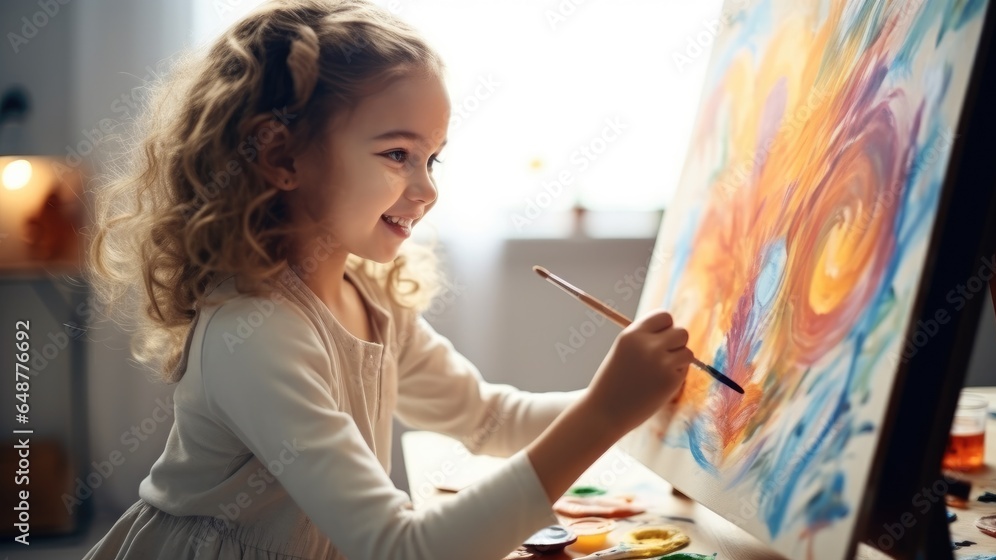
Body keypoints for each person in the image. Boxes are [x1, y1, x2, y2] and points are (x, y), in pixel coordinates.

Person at [82, 1, 692, 558]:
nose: (428, 190)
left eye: (432, 158)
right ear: (281, 157)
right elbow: (400, 550)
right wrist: (605, 413)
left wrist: (632, 401)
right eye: (397, 154)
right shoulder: (255, 332)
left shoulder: (370, 296)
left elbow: (489, 418)